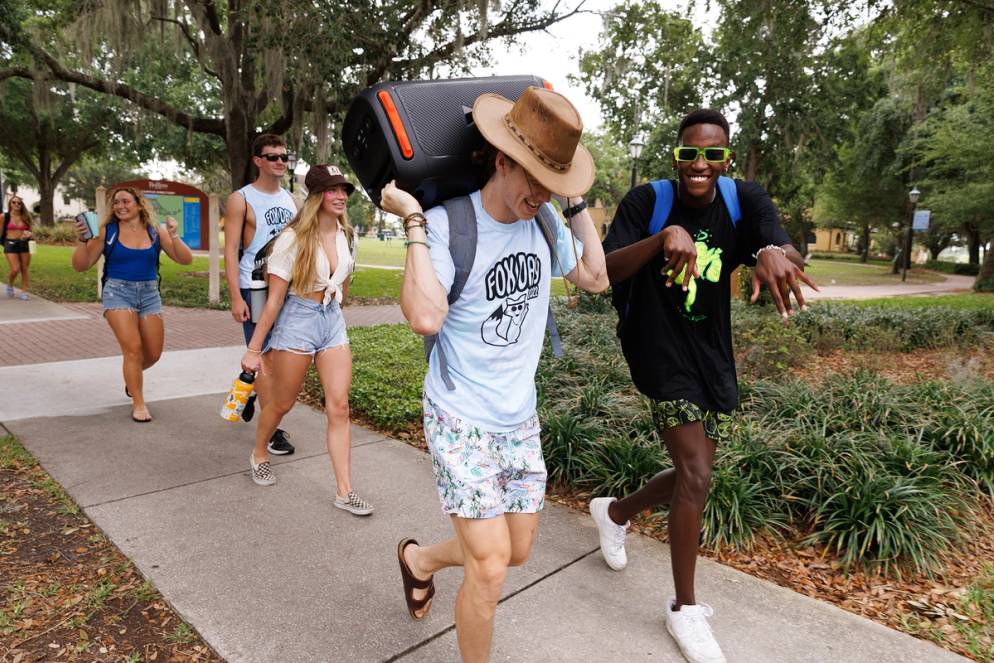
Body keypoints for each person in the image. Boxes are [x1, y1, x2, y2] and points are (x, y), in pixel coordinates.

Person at [380, 86, 609, 662]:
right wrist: (411, 220)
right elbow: (426, 316)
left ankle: (421, 560)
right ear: (501, 159)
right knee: (488, 567)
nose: (540, 193)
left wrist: (575, 206)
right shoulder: (446, 224)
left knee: (517, 550)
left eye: (552, 182)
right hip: (461, 418)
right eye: (533, 176)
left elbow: (594, 277)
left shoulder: (547, 222)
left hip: (518, 417)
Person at [589, 108, 817, 663]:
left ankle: (615, 512)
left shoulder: (744, 200)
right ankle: (684, 610)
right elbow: (603, 271)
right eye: (690, 152)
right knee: (696, 472)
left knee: (695, 473)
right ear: (676, 155)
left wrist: (769, 253)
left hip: (711, 352)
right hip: (656, 347)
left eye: (713, 154)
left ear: (727, 159)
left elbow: (787, 250)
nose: (701, 164)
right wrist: (665, 236)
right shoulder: (649, 202)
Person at [238, 164, 372, 515]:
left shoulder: (348, 236)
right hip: (296, 321)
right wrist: (254, 350)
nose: (341, 195)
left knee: (339, 407)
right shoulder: (292, 240)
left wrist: (335, 305)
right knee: (281, 405)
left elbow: (343, 285)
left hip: (331, 322)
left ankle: (344, 491)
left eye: (344, 189)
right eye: (332, 190)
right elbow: (275, 301)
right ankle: (259, 452)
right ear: (315, 196)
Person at [71, 187, 193, 422]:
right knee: (133, 349)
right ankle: (138, 403)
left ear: (139, 204)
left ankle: (132, 375)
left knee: (154, 354)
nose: (120, 206)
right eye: (116, 203)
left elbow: (184, 259)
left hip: (149, 294)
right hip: (118, 292)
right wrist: (82, 240)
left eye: (126, 201)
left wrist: (174, 235)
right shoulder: (106, 232)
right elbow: (81, 265)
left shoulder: (156, 232)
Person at [224, 133, 298, 456]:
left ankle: (252, 392)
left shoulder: (291, 200)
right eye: (273, 157)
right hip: (253, 287)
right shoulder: (241, 199)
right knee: (265, 358)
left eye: (284, 157)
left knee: (281, 360)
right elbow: (230, 251)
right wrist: (235, 297)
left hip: (285, 287)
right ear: (258, 161)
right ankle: (271, 433)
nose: (280, 162)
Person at [3, 195, 34, 300]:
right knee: (15, 269)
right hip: (10, 243)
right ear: (10, 204)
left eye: (19, 203)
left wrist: (28, 234)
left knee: (24, 269)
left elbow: (30, 231)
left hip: (24, 244)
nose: (16, 204)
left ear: (21, 205)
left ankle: (24, 291)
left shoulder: (26, 217)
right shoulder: (4, 217)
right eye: (14, 202)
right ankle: (10, 284)